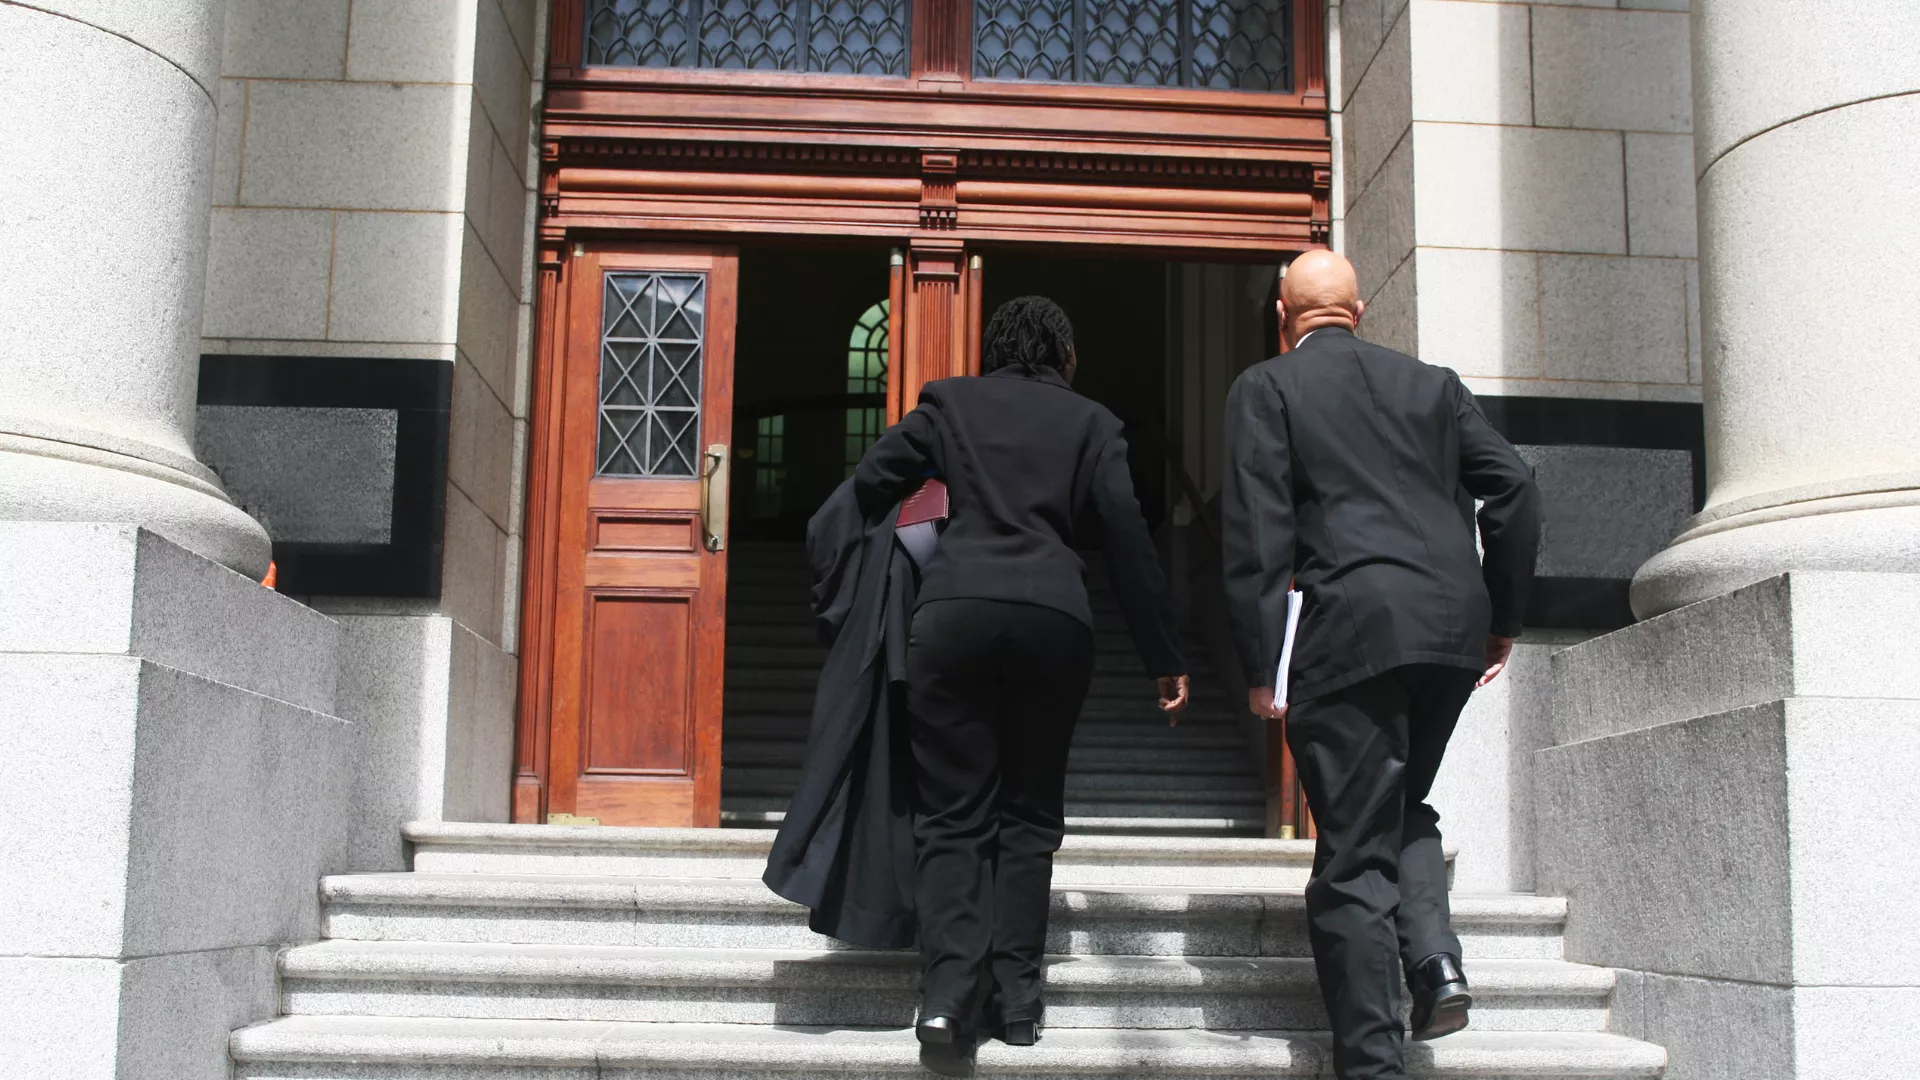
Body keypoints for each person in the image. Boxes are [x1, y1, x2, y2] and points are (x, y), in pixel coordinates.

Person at [1220, 251, 1541, 1080]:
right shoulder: (1434, 384)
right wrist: (1502, 617)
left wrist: (1263, 664)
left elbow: (1258, 532)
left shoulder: (1267, 387)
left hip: (1352, 629)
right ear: (1358, 312)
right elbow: (1514, 487)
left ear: (1283, 318)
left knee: (1354, 851)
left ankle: (1372, 1063)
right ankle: (1435, 965)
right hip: (1451, 631)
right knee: (1398, 806)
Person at [853, 296, 1191, 1072]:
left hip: (954, 614)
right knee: (1030, 815)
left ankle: (946, 1001)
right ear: (1066, 356)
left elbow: (872, 480)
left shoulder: (948, 404)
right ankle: (1018, 1004)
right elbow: (1127, 537)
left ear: (993, 350)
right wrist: (1163, 655)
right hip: (1053, 619)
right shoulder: (1093, 423)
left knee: (951, 816)